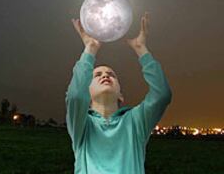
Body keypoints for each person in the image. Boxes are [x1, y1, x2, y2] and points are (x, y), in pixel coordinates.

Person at [66, 11, 172, 174]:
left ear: (121, 94)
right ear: (87, 93)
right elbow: (75, 96)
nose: (106, 76)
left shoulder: (136, 121)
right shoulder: (81, 125)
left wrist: (141, 50)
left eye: (111, 74)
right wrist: (90, 49)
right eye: (97, 75)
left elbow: (162, 95)